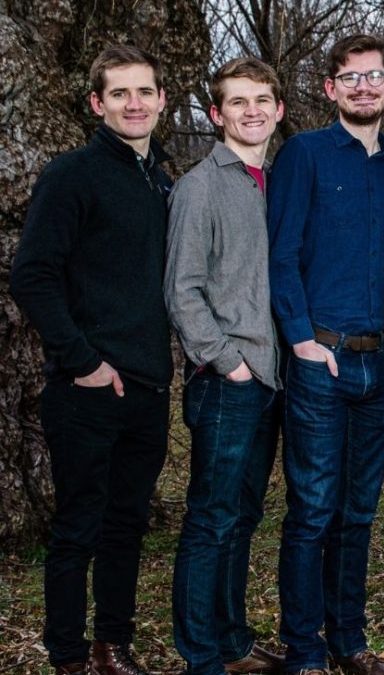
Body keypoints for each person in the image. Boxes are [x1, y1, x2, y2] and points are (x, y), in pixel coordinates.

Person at [10, 44, 173, 675]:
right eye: (120, 93)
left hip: (149, 386)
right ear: (97, 103)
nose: (134, 104)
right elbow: (32, 275)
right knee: (79, 526)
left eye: (144, 92)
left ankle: (112, 648)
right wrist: (82, 361)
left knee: (126, 525)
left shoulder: (159, 180)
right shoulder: (72, 175)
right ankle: (69, 656)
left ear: (162, 100)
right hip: (88, 388)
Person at [267, 34, 384, 675]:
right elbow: (281, 254)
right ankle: (303, 648)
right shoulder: (303, 154)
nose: (362, 87)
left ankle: (348, 641)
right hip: (320, 358)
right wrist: (300, 338)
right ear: (330, 89)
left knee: (359, 511)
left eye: (373, 77)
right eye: (348, 78)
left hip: (379, 366)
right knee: (314, 508)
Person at [164, 56, 286, 675]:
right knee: (211, 518)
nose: (252, 110)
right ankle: (201, 657)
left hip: (272, 379)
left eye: (263, 99)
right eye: (238, 101)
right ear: (216, 113)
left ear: (280, 109)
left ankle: (233, 642)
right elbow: (182, 290)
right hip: (227, 381)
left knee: (243, 516)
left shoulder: (277, 181)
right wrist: (228, 361)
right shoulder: (200, 186)